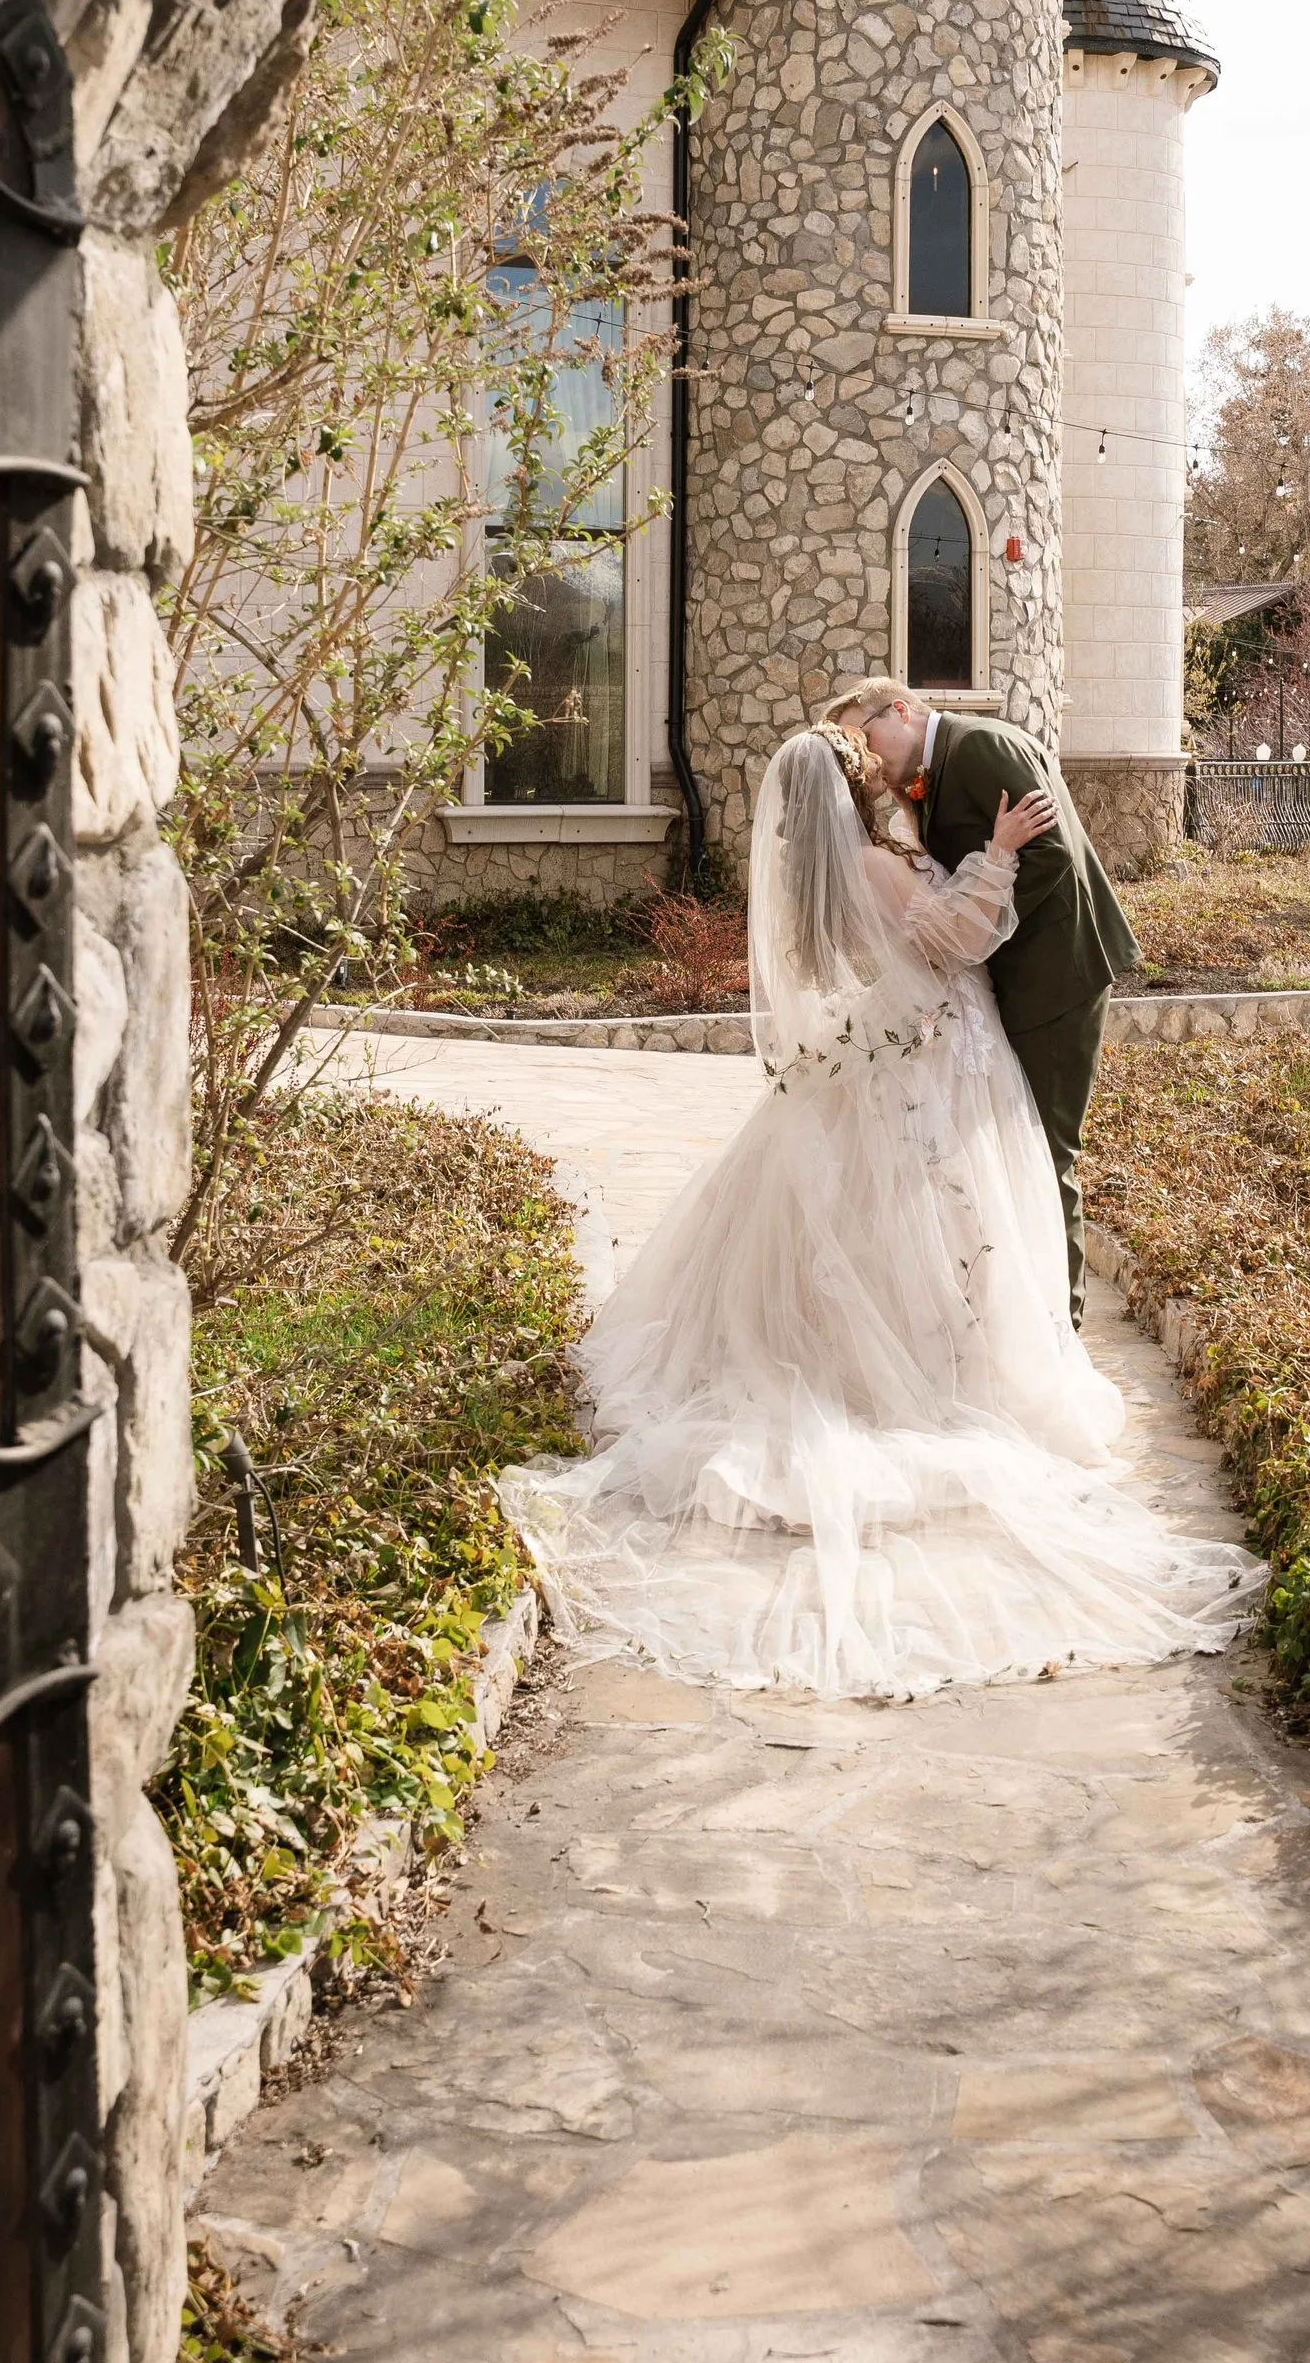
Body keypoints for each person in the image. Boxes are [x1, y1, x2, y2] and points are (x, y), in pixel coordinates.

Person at [498, 726, 1263, 1700]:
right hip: (932, 1059)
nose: (885, 775)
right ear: (855, 795)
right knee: (933, 1223)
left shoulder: (824, 875)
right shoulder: (869, 860)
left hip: (884, 1055)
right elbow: (955, 942)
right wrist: (997, 856)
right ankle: (928, 1381)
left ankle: (880, 1360)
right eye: (871, 772)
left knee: (873, 1229)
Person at [817, 676, 1137, 1325]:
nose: (865, 753)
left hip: (1054, 977)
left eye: (864, 733)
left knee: (1047, 1149)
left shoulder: (980, 747)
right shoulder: (924, 782)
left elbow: (1048, 858)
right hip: (992, 987)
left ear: (902, 711)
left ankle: (1060, 1327)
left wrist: (968, 940)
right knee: (994, 1155)